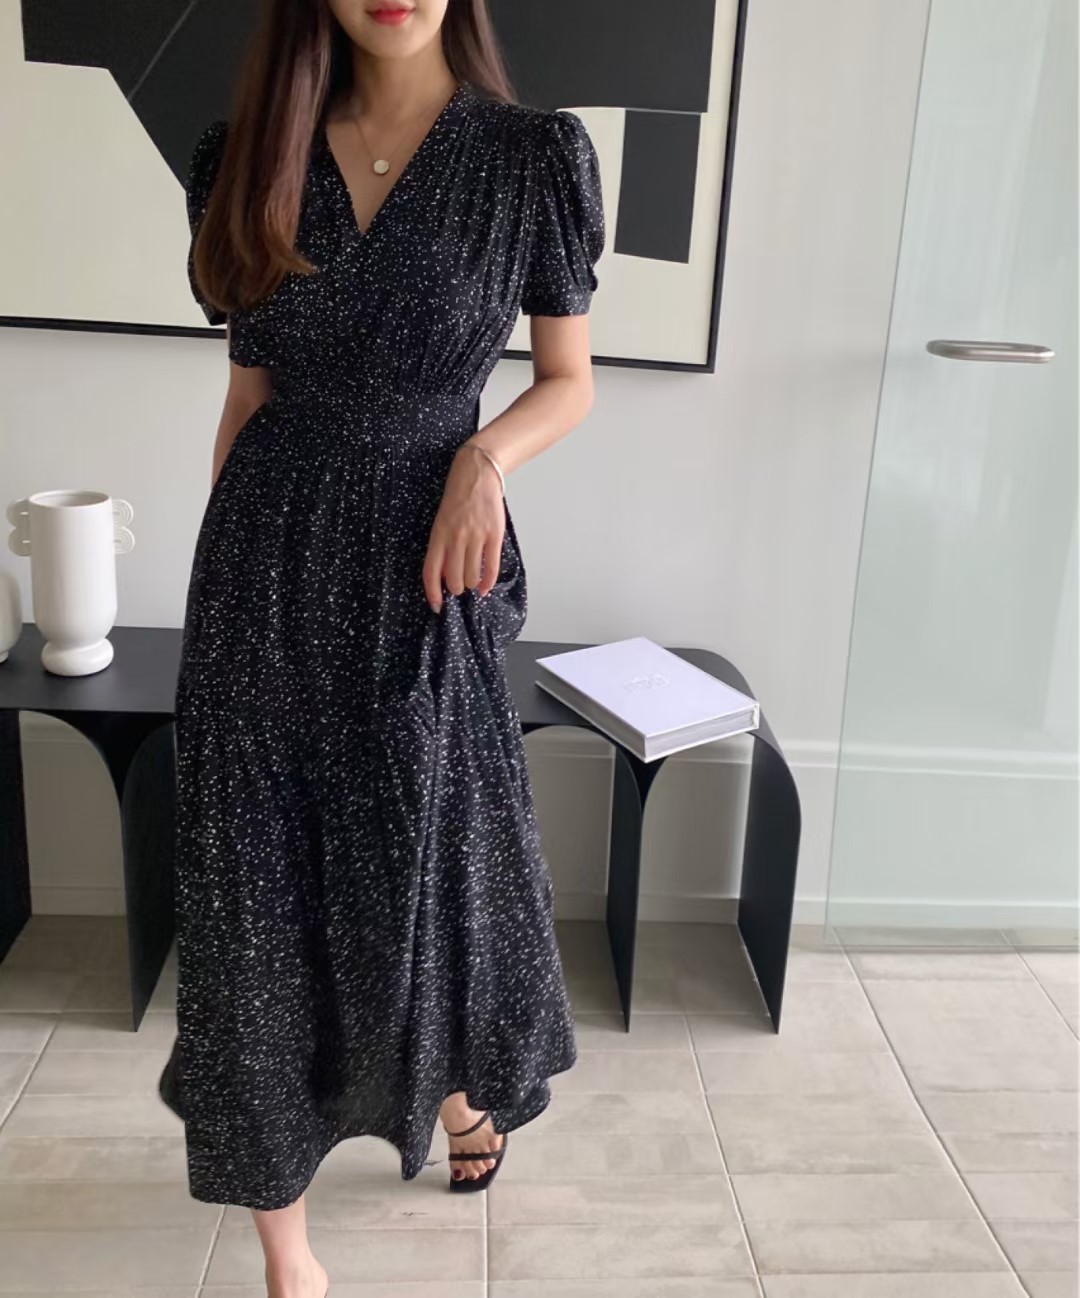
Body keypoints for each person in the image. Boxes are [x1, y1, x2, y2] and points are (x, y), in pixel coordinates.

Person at [157, 1, 605, 1295]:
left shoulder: (528, 159)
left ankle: (455, 1082)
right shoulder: (250, 153)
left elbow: (568, 378)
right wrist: (222, 603)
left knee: (428, 858)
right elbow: (249, 394)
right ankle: (287, 1253)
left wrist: (486, 457)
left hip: (427, 566)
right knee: (254, 896)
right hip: (266, 565)